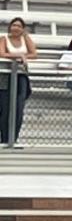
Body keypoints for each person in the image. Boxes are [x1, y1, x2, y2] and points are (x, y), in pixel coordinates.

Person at [0, 17, 37, 146]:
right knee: (5, 109)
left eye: (19, 26)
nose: (16, 28)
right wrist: (20, 56)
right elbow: (2, 54)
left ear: (23, 29)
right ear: (10, 27)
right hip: (6, 77)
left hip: (21, 76)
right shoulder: (4, 39)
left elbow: (34, 54)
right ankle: (4, 139)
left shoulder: (25, 39)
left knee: (18, 108)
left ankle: (14, 139)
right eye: (14, 25)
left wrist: (24, 57)